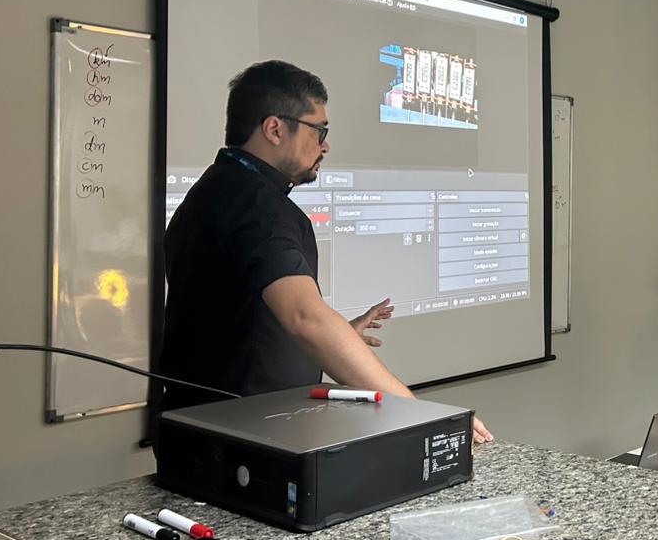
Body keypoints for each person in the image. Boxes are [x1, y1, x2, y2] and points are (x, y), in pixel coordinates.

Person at [159, 60, 492, 443]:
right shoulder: (259, 207)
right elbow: (306, 318)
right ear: (274, 129)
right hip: (238, 442)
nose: (326, 145)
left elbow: (230, 321)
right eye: (319, 130)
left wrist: (341, 337)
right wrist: (423, 417)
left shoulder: (212, 191)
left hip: (204, 433)